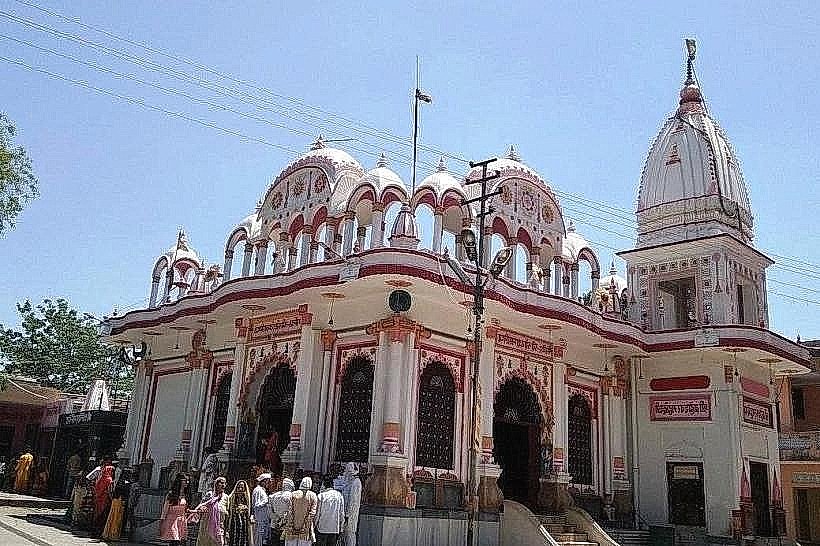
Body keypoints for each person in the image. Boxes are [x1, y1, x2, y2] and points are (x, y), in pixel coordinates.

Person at [192, 475, 229, 546]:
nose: (223, 485)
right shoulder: (210, 494)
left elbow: (227, 512)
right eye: (221, 483)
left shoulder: (226, 497)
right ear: (216, 484)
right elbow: (202, 505)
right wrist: (202, 508)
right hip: (206, 526)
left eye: (224, 483)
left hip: (219, 526)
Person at [282, 476, 317, 546]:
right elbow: (311, 514)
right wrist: (304, 527)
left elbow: (290, 512)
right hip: (305, 531)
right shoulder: (313, 496)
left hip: (291, 530)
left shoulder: (293, 494)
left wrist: (292, 527)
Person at [159, 473, 189, 546]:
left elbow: (185, 510)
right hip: (172, 521)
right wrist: (161, 522)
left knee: (178, 541)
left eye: (188, 480)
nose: (187, 482)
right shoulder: (171, 494)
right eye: (185, 480)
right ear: (180, 481)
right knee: (175, 540)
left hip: (181, 521)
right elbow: (165, 509)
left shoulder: (186, 495)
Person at [87, 456, 115, 534]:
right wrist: (112, 499)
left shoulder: (101, 478)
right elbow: (109, 490)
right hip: (104, 500)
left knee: (96, 514)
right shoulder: (109, 480)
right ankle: (99, 531)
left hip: (98, 498)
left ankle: (94, 530)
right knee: (103, 515)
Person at [315, 476, 344, 546]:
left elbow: (317, 514)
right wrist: (341, 528)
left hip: (322, 528)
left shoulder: (321, 496)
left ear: (324, 485)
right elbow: (341, 513)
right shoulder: (339, 495)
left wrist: (314, 526)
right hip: (334, 529)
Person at [225, 480, 253, 546]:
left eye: (242, 488)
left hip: (244, 527)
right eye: (238, 487)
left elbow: (250, 512)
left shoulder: (247, 500)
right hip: (233, 527)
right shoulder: (231, 499)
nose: (240, 489)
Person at [268, 478, 294, 546]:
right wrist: (281, 521)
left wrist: (276, 519)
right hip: (285, 527)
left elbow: (269, 511)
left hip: (274, 525)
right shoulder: (292, 496)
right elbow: (290, 512)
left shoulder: (273, 496)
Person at [341, 463, 361, 546]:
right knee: (345, 535)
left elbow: (353, 501)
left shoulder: (356, 482)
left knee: (350, 535)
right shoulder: (350, 481)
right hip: (346, 514)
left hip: (350, 515)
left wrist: (347, 515)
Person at [252, 473, 272, 546]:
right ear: (263, 481)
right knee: (258, 540)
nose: (269, 484)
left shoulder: (263, 490)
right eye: (268, 481)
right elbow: (257, 505)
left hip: (264, 520)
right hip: (259, 520)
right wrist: (267, 501)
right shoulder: (258, 490)